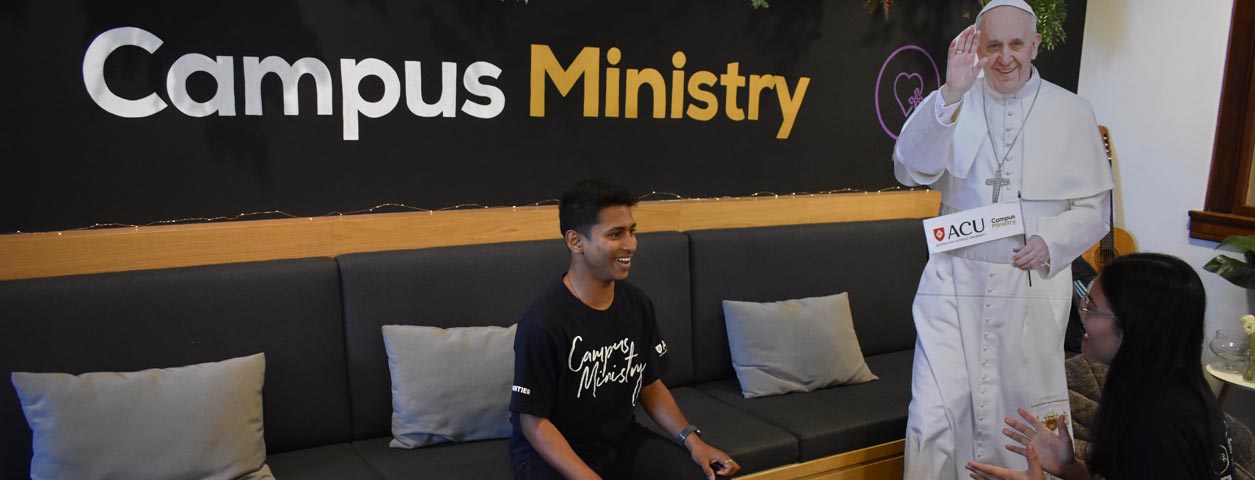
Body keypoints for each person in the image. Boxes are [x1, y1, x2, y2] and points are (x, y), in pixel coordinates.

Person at [891, 0, 1114, 477]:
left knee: (1019, 414)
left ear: (1035, 45)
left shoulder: (1071, 111)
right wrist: (951, 91)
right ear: (977, 46)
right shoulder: (955, 99)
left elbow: (1096, 212)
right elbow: (911, 169)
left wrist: (1052, 242)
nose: (1005, 57)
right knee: (932, 415)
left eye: (1017, 44)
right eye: (993, 45)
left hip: (1029, 286)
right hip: (951, 281)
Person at [508, 178, 740, 480]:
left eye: (632, 231)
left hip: (621, 441)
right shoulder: (542, 323)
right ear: (575, 241)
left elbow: (648, 382)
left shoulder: (636, 303)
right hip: (553, 453)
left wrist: (694, 442)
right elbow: (533, 423)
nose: (630, 244)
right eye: (615, 234)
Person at [965, 253, 1236, 479]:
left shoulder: (1158, 425)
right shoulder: (1170, 389)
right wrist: (1071, 469)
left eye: (1090, 308)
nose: (1081, 316)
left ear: (1135, 327)